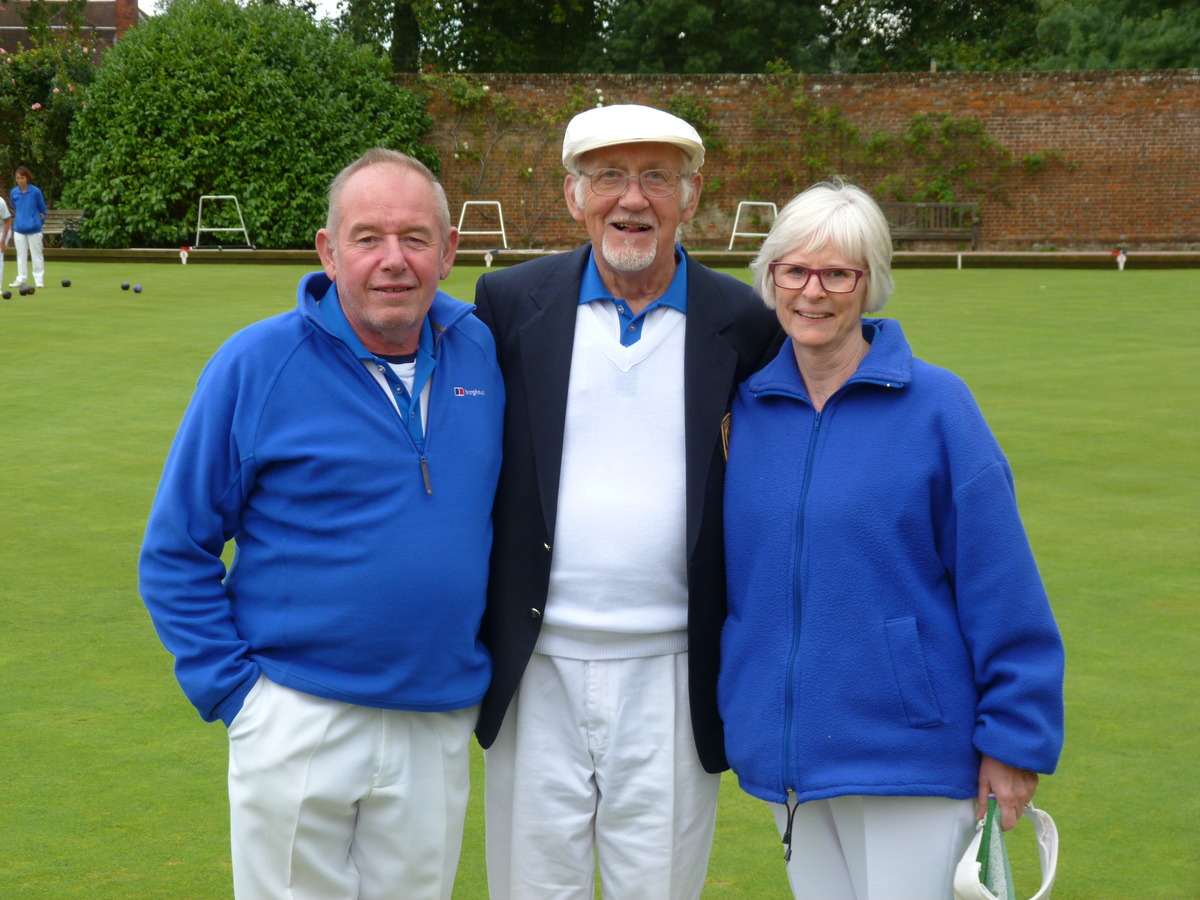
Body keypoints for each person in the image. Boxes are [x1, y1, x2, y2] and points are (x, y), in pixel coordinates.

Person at [138, 148, 504, 900]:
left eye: (415, 238)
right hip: (297, 713)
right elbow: (176, 549)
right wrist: (239, 699)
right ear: (328, 252)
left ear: (449, 250)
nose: (393, 260)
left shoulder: (483, 350)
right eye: (367, 238)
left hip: (434, 717)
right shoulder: (257, 363)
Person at [719, 180, 1065, 900]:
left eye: (838, 273)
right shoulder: (742, 412)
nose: (813, 292)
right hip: (793, 766)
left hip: (913, 758)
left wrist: (1015, 739)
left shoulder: (940, 408)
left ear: (870, 282)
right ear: (770, 277)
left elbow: (1001, 583)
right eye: (795, 270)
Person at [473, 104, 781, 899]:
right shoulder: (508, 303)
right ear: (574, 196)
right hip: (536, 668)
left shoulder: (746, 323)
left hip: (674, 674)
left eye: (656, 177)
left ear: (692, 194)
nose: (632, 198)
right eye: (609, 175)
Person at [9, 165, 46, 289]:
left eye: (22, 178)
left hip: (34, 229)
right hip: (19, 229)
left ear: (27, 178)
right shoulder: (14, 192)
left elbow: (42, 209)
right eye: (18, 178)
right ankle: (21, 278)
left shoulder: (35, 191)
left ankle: (38, 279)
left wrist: (37, 222)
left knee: (36, 254)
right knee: (21, 255)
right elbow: (16, 207)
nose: (20, 180)